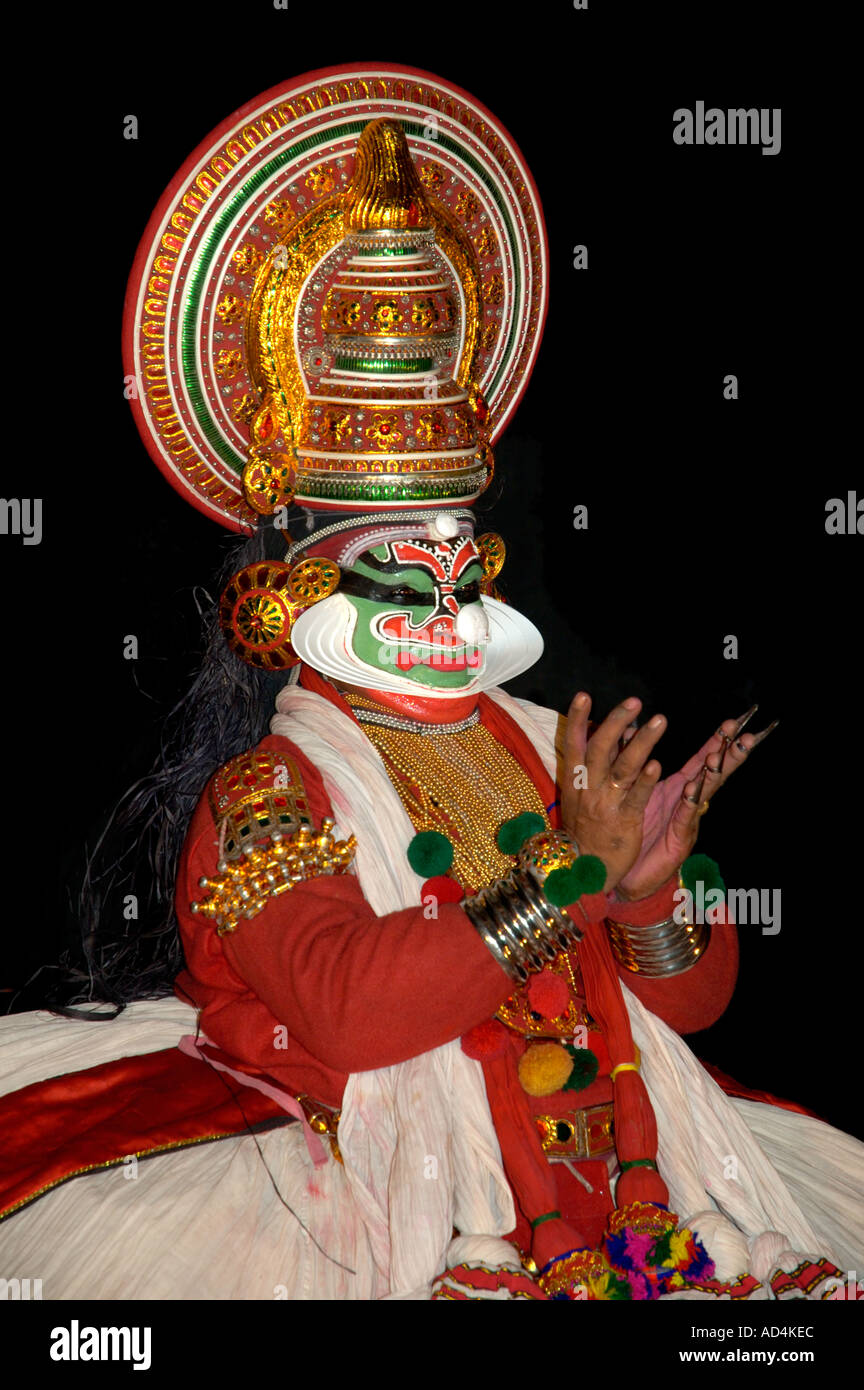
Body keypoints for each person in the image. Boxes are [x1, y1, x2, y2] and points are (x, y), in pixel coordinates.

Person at [1, 71, 861, 1302]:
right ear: (300, 598)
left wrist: (651, 877)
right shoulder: (266, 792)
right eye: (411, 587)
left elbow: (696, 1003)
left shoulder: (541, 744)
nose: (452, 613)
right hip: (374, 1203)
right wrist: (571, 869)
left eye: (468, 577)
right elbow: (354, 1009)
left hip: (628, 1195)